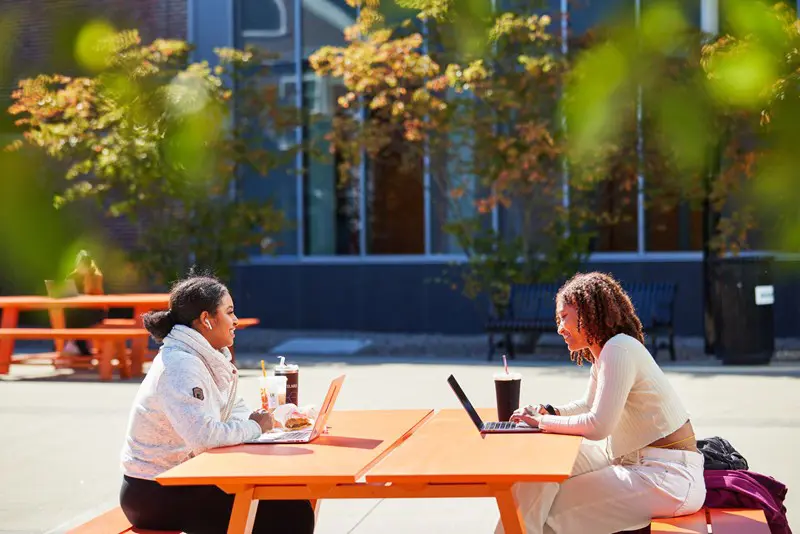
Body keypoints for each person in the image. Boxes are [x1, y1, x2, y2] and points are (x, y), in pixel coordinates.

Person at [496, 272, 705, 534]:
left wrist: (543, 422)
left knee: (551, 516)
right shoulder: (606, 353)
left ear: (588, 314)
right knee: (539, 468)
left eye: (564, 317)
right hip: (630, 461)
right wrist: (550, 412)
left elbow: (598, 425)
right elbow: (588, 405)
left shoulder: (619, 349)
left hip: (665, 477)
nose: (559, 328)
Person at [119, 274, 315, 534]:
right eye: (230, 312)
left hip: (189, 479)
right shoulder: (181, 364)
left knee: (290, 502)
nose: (235, 321)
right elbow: (203, 436)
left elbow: (236, 409)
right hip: (155, 491)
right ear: (205, 320)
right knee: (288, 513)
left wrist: (270, 426)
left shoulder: (208, 356)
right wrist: (255, 428)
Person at [63, 250, 106, 356]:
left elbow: (94, 295)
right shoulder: (72, 276)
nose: (81, 268)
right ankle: (76, 345)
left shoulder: (95, 276)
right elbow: (66, 292)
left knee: (77, 317)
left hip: (94, 310)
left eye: (84, 265)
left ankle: (76, 345)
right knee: (69, 314)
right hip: (77, 309)